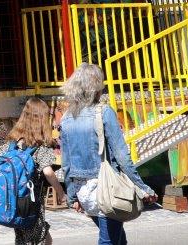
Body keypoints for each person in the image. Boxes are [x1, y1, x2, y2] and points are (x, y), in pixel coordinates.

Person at [59, 63, 156, 245]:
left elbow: (66, 163)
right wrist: (142, 187)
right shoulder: (104, 112)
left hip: (82, 189)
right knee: (108, 240)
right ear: (96, 87)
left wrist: (72, 196)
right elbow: (122, 156)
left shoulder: (66, 118)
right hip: (106, 187)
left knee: (117, 238)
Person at [4, 96, 65, 245]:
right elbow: (48, 172)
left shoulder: (12, 142)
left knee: (26, 237)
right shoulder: (39, 145)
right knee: (37, 238)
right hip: (31, 201)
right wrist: (61, 193)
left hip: (14, 199)